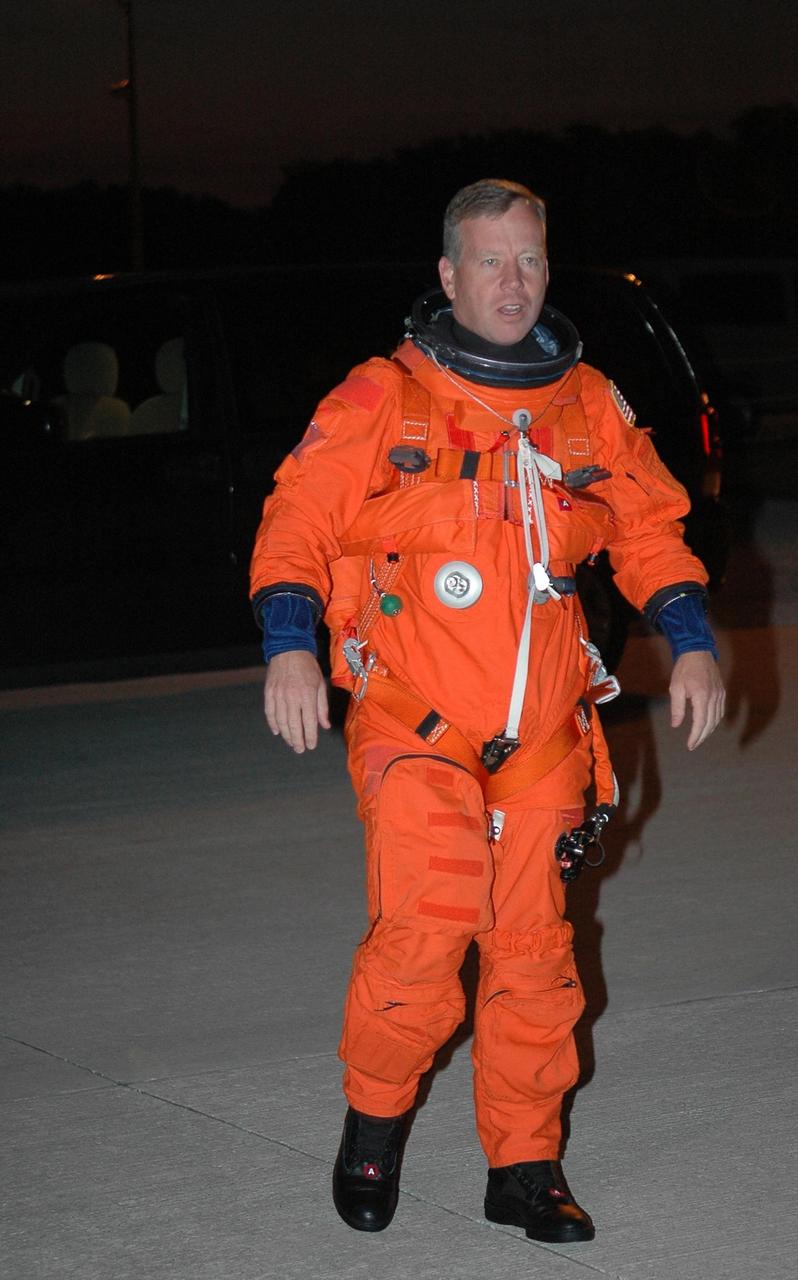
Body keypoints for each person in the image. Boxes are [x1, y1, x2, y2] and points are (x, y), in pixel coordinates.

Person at [249, 179, 725, 1245]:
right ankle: (373, 1128)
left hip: (545, 733)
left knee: (535, 955)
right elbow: (299, 517)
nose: (513, 282)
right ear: (448, 275)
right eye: (490, 261)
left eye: (531, 260)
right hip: (416, 722)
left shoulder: (584, 402)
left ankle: (524, 1164)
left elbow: (648, 525)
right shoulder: (385, 399)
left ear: (548, 268)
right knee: (424, 935)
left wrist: (689, 637)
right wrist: (289, 644)